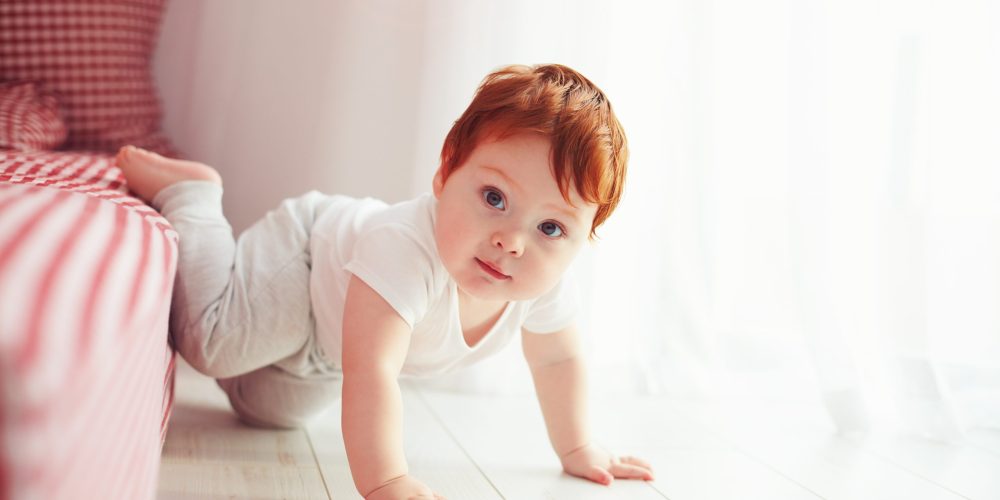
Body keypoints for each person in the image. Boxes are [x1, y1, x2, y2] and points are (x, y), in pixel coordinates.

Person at [118, 63, 654, 500]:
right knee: (216, 345)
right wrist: (387, 482)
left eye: (551, 227)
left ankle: (265, 347)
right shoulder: (402, 249)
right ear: (446, 174)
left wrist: (578, 446)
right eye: (495, 198)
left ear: (583, 240)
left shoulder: (543, 285)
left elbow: (557, 361)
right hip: (306, 262)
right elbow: (372, 369)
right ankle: (195, 196)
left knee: (270, 411)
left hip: (327, 344)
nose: (513, 241)